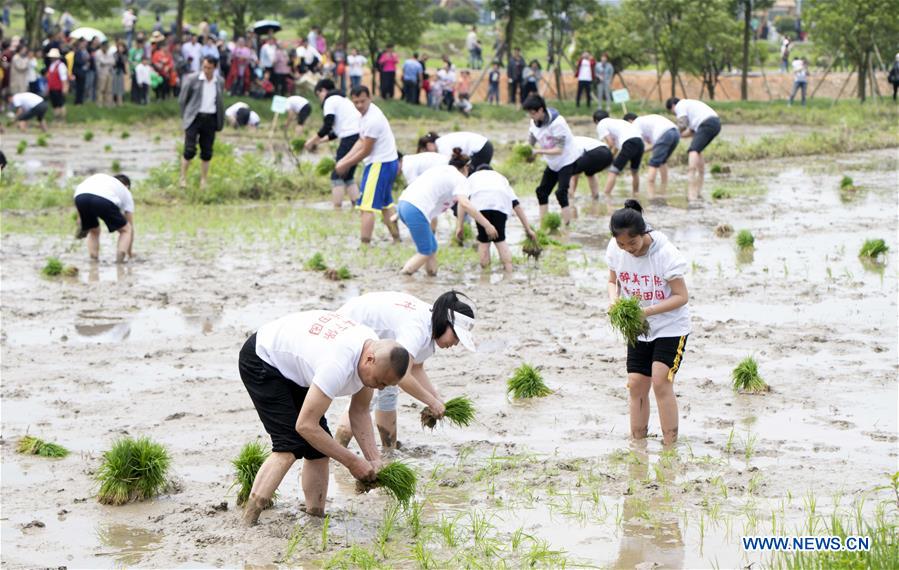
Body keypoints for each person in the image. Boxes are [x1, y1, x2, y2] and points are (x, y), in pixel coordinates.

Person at [238, 310, 412, 525]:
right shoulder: (337, 364)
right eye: (380, 382)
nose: (380, 387)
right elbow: (305, 426)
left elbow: (359, 412)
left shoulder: (372, 355)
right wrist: (352, 462)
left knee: (319, 450)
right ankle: (248, 521)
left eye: (386, 385)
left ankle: (315, 517)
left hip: (298, 368)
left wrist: (374, 460)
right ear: (369, 360)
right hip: (263, 358)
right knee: (289, 445)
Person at [334, 291, 477, 449]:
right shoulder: (417, 328)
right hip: (348, 328)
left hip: (373, 341)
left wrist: (436, 398)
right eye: (456, 336)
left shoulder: (432, 325)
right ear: (446, 322)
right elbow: (404, 378)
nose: (456, 343)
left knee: (389, 388)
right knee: (364, 395)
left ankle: (389, 450)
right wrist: (432, 402)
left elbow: (415, 368)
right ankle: (339, 447)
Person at [606, 200, 690, 446]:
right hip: (639, 327)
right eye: (621, 244)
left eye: (632, 243)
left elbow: (681, 297)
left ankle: (669, 445)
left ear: (644, 233)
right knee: (635, 384)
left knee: (660, 380)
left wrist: (647, 311)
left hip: (671, 326)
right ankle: (638, 445)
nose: (627, 249)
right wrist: (614, 302)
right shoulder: (615, 249)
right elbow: (613, 282)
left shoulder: (665, 254)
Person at [396, 150, 497, 276]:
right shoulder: (459, 178)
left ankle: (431, 275)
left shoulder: (441, 170)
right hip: (416, 209)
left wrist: (459, 225)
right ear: (465, 168)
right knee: (426, 251)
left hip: (403, 204)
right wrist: (487, 224)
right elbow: (465, 203)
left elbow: (461, 204)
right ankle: (404, 276)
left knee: (432, 246)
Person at [335, 85, 401, 243]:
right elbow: (361, 140)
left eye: (362, 101)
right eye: (355, 102)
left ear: (370, 98)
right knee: (386, 204)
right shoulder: (363, 115)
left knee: (366, 207)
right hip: (386, 163)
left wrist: (346, 164)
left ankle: (365, 245)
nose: (359, 105)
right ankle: (397, 239)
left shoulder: (373, 119)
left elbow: (365, 150)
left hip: (380, 165)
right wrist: (343, 160)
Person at [465, 165, 537, 272]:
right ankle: (509, 271)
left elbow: (463, 201)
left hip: (480, 206)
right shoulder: (500, 178)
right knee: (500, 240)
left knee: (483, 241)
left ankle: (485, 273)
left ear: (478, 171)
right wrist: (528, 229)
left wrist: (459, 225)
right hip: (500, 206)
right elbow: (516, 205)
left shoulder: (473, 177)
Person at [523, 94, 580, 226]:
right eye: (529, 113)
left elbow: (559, 149)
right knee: (541, 192)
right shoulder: (534, 122)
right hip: (553, 162)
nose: (531, 116)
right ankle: (544, 223)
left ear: (541, 110)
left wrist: (537, 152)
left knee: (561, 193)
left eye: (532, 113)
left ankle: (567, 226)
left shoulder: (558, 123)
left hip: (567, 160)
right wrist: (526, 151)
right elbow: (531, 139)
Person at [305, 79, 362, 209]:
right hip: (359, 136)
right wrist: (320, 141)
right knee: (348, 175)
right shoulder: (343, 100)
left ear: (323, 90)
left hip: (350, 137)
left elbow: (327, 125)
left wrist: (311, 141)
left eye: (318, 94)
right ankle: (357, 206)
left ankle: (337, 210)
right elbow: (336, 132)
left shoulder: (330, 100)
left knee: (337, 173)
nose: (319, 98)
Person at [179, 56, 225, 190]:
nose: (206, 70)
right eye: (204, 67)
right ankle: (183, 178)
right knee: (189, 149)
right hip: (194, 117)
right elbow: (182, 100)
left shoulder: (219, 81)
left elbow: (220, 100)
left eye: (209, 68)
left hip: (210, 118)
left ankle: (203, 180)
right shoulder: (193, 79)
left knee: (207, 151)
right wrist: (186, 116)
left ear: (214, 68)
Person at [665, 97, 720, 201]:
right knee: (697, 149)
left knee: (693, 150)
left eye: (672, 112)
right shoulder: (691, 107)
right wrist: (677, 136)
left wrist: (672, 133)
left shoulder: (680, 105)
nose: (674, 113)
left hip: (707, 123)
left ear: (672, 106)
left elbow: (682, 125)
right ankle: (701, 174)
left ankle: (691, 173)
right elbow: (690, 132)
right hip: (715, 123)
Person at [73, 173, 135, 263]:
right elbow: (130, 225)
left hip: (80, 196)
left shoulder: (104, 180)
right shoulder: (126, 192)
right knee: (126, 230)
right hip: (103, 199)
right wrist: (130, 253)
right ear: (127, 186)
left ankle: (93, 261)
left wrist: (81, 223)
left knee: (93, 230)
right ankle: (120, 262)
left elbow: (80, 198)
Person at [624, 112, 680, 198]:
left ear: (630, 121)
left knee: (653, 162)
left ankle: (651, 192)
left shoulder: (636, 123)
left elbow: (638, 145)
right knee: (662, 160)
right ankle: (663, 187)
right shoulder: (646, 121)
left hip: (663, 134)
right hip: (675, 132)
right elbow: (653, 145)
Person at [594, 110, 644, 197]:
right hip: (640, 142)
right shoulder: (617, 123)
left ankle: (606, 195)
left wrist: (603, 158)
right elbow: (616, 147)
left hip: (629, 143)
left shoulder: (601, 124)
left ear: (596, 121)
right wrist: (610, 158)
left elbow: (610, 144)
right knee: (634, 171)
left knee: (613, 171)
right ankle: (636, 194)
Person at [417, 131, 493, 171]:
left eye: (426, 150)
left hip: (481, 148)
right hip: (484, 145)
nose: (428, 153)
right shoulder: (442, 141)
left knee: (472, 174)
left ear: (429, 145)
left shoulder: (442, 146)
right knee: (476, 173)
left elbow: (448, 165)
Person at [569, 135, 613, 204]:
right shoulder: (577, 139)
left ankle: (570, 199)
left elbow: (574, 176)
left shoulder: (569, 144)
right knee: (590, 173)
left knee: (570, 173)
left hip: (595, 152)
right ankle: (595, 197)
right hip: (608, 154)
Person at [45, 48, 68, 121]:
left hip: (58, 88)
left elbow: (63, 78)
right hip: (52, 88)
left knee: (61, 104)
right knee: (55, 105)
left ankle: (62, 119)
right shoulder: (52, 65)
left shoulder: (61, 66)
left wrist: (65, 88)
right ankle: (56, 118)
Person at [95, 41, 115, 108]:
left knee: (109, 89)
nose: (106, 48)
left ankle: (108, 103)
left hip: (109, 72)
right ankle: (99, 103)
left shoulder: (110, 52)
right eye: (105, 46)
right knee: (101, 89)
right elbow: (102, 61)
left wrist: (107, 62)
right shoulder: (98, 53)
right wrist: (108, 62)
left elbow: (113, 61)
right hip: (101, 73)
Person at [112, 41, 128, 106]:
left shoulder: (124, 55)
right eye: (120, 47)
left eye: (122, 47)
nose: (121, 49)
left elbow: (124, 63)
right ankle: (114, 100)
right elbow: (114, 63)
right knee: (115, 86)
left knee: (121, 86)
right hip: (115, 71)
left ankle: (120, 100)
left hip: (121, 71)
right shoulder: (115, 54)